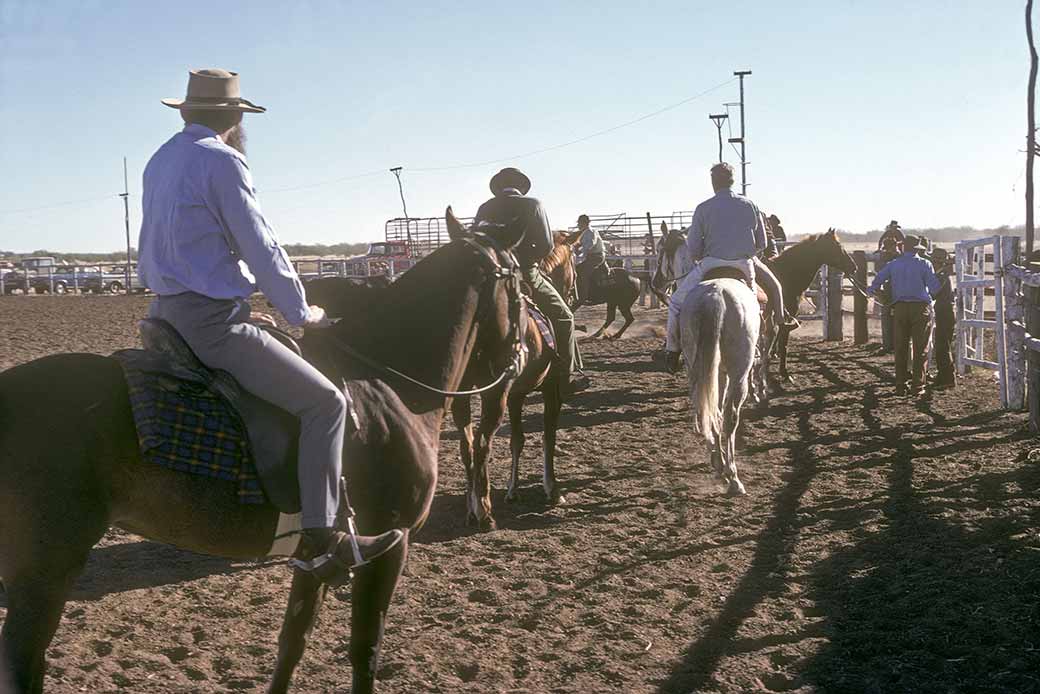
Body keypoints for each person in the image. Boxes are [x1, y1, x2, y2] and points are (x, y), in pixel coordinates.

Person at [138, 68, 402, 583]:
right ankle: (322, 540)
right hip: (211, 325)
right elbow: (262, 246)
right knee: (326, 403)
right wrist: (302, 313)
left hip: (164, 313)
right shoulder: (223, 161)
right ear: (235, 117)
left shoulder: (160, 159)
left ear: (186, 112)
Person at [662, 163, 797, 373]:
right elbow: (762, 243)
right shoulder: (750, 204)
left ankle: (672, 351)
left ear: (713, 182)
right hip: (744, 264)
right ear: (732, 180)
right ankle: (780, 322)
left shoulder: (703, 208)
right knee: (767, 293)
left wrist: (704, 254)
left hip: (710, 263)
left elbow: (694, 247)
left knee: (676, 303)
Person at [474, 167, 588, 394]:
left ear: (498, 187)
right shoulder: (533, 204)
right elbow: (546, 245)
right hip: (525, 274)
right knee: (564, 317)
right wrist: (526, 264)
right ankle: (565, 376)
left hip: (489, 275)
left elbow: (477, 242)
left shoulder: (484, 208)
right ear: (521, 186)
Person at [867, 235, 941, 396]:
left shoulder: (893, 265)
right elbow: (934, 288)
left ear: (902, 248)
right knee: (920, 347)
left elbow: (876, 282)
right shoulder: (924, 263)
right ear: (917, 249)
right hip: (920, 309)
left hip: (899, 308)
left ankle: (900, 384)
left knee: (900, 347)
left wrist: (874, 291)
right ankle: (918, 385)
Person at [930, 247, 956, 388]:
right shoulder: (943, 275)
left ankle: (947, 379)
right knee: (942, 345)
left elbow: (934, 292)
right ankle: (943, 376)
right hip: (944, 312)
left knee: (942, 346)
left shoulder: (942, 276)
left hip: (945, 313)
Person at [574, 214, 606, 306]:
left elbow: (590, 245)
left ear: (584, 223)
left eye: (579, 223)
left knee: (584, 273)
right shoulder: (583, 232)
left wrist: (578, 249)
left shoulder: (591, 232)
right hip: (590, 256)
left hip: (596, 256)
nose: (578, 225)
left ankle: (583, 297)